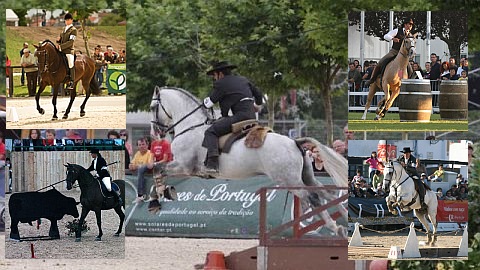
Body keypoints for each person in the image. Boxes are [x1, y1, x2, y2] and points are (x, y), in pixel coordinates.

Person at [201, 61, 263, 175]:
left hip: (240, 117)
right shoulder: (244, 79)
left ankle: (212, 164)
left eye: (214, 75)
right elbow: (259, 96)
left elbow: (209, 103)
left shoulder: (221, 83)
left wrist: (203, 102)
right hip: (252, 117)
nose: (215, 78)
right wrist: (256, 105)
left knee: (211, 132)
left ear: (220, 74)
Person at [369, 18, 414, 85]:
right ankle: (372, 79)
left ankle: (408, 83)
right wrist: (393, 38)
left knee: (410, 70)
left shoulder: (410, 35)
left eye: (411, 25)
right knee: (381, 62)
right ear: (405, 24)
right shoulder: (397, 31)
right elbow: (386, 36)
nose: (410, 26)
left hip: (403, 56)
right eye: (409, 24)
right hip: (394, 52)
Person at [56, 13, 77, 90]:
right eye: (66, 20)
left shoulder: (73, 30)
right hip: (61, 50)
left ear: (71, 20)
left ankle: (72, 81)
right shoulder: (63, 29)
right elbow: (61, 40)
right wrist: (58, 41)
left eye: (68, 20)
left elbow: (71, 42)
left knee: (71, 63)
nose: (67, 21)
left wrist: (61, 46)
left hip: (69, 51)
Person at [129, 138, 154, 202]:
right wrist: (136, 166)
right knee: (140, 168)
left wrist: (137, 166)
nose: (141, 146)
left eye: (143, 144)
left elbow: (149, 165)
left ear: (147, 145)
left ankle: (140, 195)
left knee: (141, 168)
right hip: (140, 174)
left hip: (149, 173)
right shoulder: (137, 154)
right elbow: (131, 166)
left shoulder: (150, 153)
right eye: (139, 145)